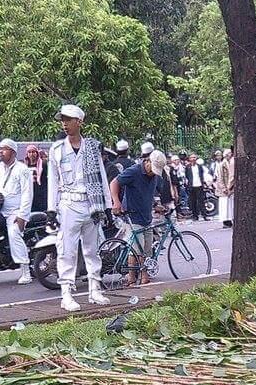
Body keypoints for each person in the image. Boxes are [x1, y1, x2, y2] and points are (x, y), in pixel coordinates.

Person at [47, 103, 111, 309]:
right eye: (62, 121)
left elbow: (101, 177)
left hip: (91, 203)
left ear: (79, 122)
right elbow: (53, 181)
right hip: (68, 204)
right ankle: (66, 294)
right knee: (67, 250)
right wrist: (51, 209)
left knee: (92, 250)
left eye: (68, 120)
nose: (64, 124)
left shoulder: (92, 147)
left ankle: (95, 290)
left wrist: (107, 206)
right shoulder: (57, 149)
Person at [110, 148, 167, 286]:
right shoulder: (134, 171)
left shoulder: (153, 176)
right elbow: (114, 183)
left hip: (146, 216)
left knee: (147, 249)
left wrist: (155, 206)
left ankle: (139, 276)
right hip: (132, 215)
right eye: (151, 168)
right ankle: (136, 277)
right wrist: (116, 202)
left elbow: (147, 194)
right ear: (147, 161)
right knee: (137, 248)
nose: (152, 172)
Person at [0, 139, 34, 285]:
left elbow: (28, 193)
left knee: (14, 232)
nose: (1, 151)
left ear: (13, 152)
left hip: (15, 211)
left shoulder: (22, 169)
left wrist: (22, 215)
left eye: (5, 149)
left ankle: (25, 270)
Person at [24, 144, 47, 212]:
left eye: (33, 152)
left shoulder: (43, 164)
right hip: (29, 193)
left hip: (40, 193)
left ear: (37, 153)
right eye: (29, 152)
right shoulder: (24, 166)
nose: (31, 154)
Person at [185, 154, 208, 220]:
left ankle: (204, 215)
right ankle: (195, 216)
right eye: (191, 157)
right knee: (193, 201)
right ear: (189, 159)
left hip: (199, 185)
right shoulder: (188, 167)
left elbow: (201, 175)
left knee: (201, 201)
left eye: (194, 157)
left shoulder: (199, 166)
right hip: (192, 186)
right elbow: (187, 176)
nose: (193, 159)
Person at [215, 148, 234, 227]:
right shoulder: (222, 164)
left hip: (228, 187)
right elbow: (220, 178)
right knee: (224, 206)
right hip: (224, 189)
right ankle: (226, 222)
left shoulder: (229, 163)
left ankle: (229, 220)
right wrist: (224, 188)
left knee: (229, 205)